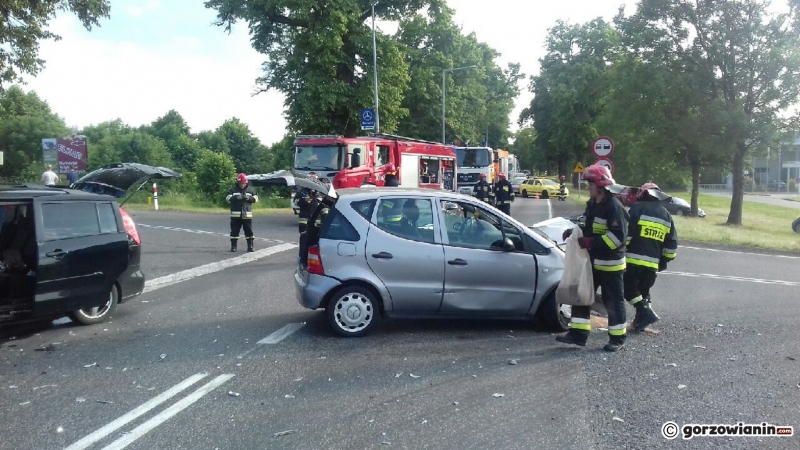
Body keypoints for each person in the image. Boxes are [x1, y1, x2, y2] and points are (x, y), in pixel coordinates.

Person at [557, 164, 629, 352]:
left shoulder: (614, 207)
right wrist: (573, 232)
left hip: (611, 264)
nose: (588, 187)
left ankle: (617, 338)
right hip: (593, 262)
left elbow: (617, 238)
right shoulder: (593, 204)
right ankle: (578, 334)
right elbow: (586, 223)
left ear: (600, 185)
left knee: (613, 301)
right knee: (582, 295)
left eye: (590, 184)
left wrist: (590, 243)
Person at [624, 182, 677, 331]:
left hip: (632, 260)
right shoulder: (666, 215)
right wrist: (664, 261)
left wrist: (621, 250)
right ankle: (640, 323)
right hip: (652, 264)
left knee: (628, 290)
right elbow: (671, 244)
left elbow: (627, 234)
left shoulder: (637, 209)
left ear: (642, 193)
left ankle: (646, 313)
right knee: (643, 292)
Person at [226, 173, 259, 252]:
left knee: (249, 232)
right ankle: (233, 246)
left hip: (247, 215)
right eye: (241, 183)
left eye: (243, 183)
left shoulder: (250, 190)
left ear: (246, 182)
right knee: (234, 232)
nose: (242, 185)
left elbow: (256, 198)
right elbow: (227, 198)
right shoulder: (233, 190)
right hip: (235, 216)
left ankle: (250, 246)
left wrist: (249, 198)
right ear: (238, 182)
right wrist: (237, 197)